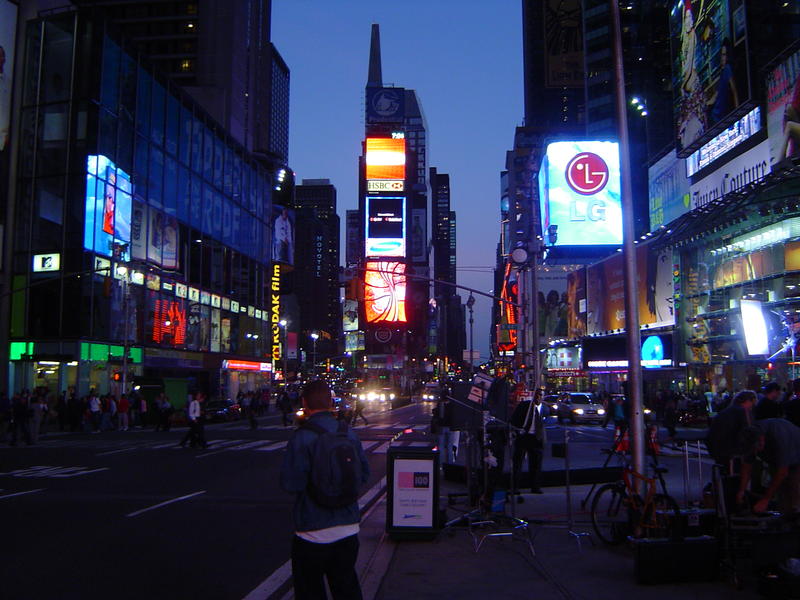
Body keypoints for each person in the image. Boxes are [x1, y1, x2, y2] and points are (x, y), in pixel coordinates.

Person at [280, 380, 370, 600]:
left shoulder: (302, 437)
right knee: (346, 586)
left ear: (304, 403)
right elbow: (364, 475)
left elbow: (291, 484)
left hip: (312, 530)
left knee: (310, 589)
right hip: (348, 526)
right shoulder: (348, 433)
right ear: (331, 402)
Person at [737, 418, 800, 514]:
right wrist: (742, 490)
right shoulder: (750, 436)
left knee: (794, 488)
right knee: (780, 491)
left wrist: (765, 499)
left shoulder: (779, 438)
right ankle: (784, 513)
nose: (756, 452)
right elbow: (747, 466)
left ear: (762, 439)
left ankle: (795, 515)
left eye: (757, 448)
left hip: (796, 455)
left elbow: (782, 472)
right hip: (776, 458)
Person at [707, 389, 755, 467]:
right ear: (748, 401)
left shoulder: (725, 412)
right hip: (731, 450)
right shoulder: (743, 412)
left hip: (716, 449)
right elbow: (747, 432)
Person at [511, 389, 546, 497]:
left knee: (536, 463)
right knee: (518, 462)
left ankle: (535, 486)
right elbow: (514, 419)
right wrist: (517, 430)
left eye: (542, 396)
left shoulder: (543, 408)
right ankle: (515, 487)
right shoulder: (525, 406)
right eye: (538, 395)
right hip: (524, 436)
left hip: (536, 438)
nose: (540, 398)